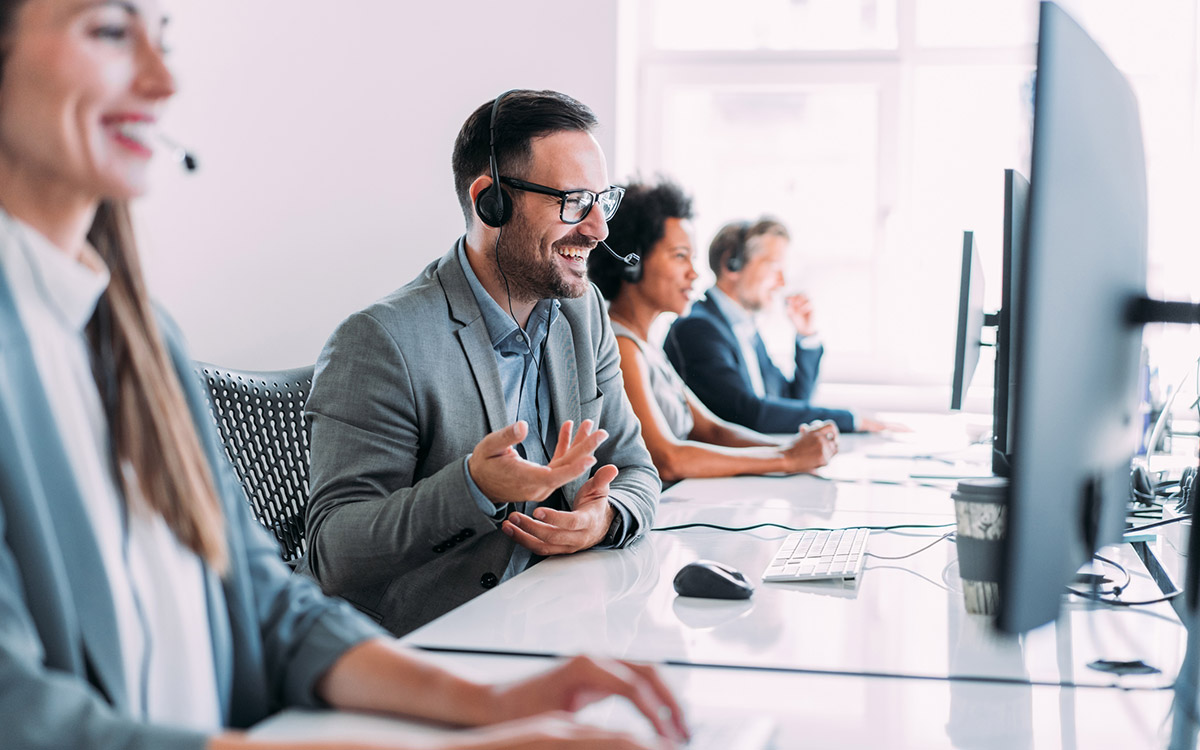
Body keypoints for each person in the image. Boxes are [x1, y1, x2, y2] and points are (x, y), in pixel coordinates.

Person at [0, 3, 687, 748]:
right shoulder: (383, 340)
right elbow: (26, 714)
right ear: (490, 200)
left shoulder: (137, 337)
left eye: (163, 39)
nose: (165, 81)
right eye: (107, 31)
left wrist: (492, 705)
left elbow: (272, 605)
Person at [296, 90, 659, 637]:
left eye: (601, 201)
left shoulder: (582, 315)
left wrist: (599, 519)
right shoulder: (379, 340)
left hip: (559, 623)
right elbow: (334, 552)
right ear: (491, 201)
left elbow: (636, 469)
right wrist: (473, 487)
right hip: (430, 645)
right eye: (573, 202)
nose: (598, 229)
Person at [586, 179, 839, 482]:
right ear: (632, 262)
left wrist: (793, 448)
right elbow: (667, 458)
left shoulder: (645, 345)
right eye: (680, 256)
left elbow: (712, 429)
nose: (694, 274)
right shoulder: (622, 346)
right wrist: (786, 458)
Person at [664, 217, 890, 435]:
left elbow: (792, 402)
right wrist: (850, 420)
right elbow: (750, 415)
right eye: (774, 267)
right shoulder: (697, 328)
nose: (782, 282)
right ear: (731, 264)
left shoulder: (743, 328)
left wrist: (806, 336)